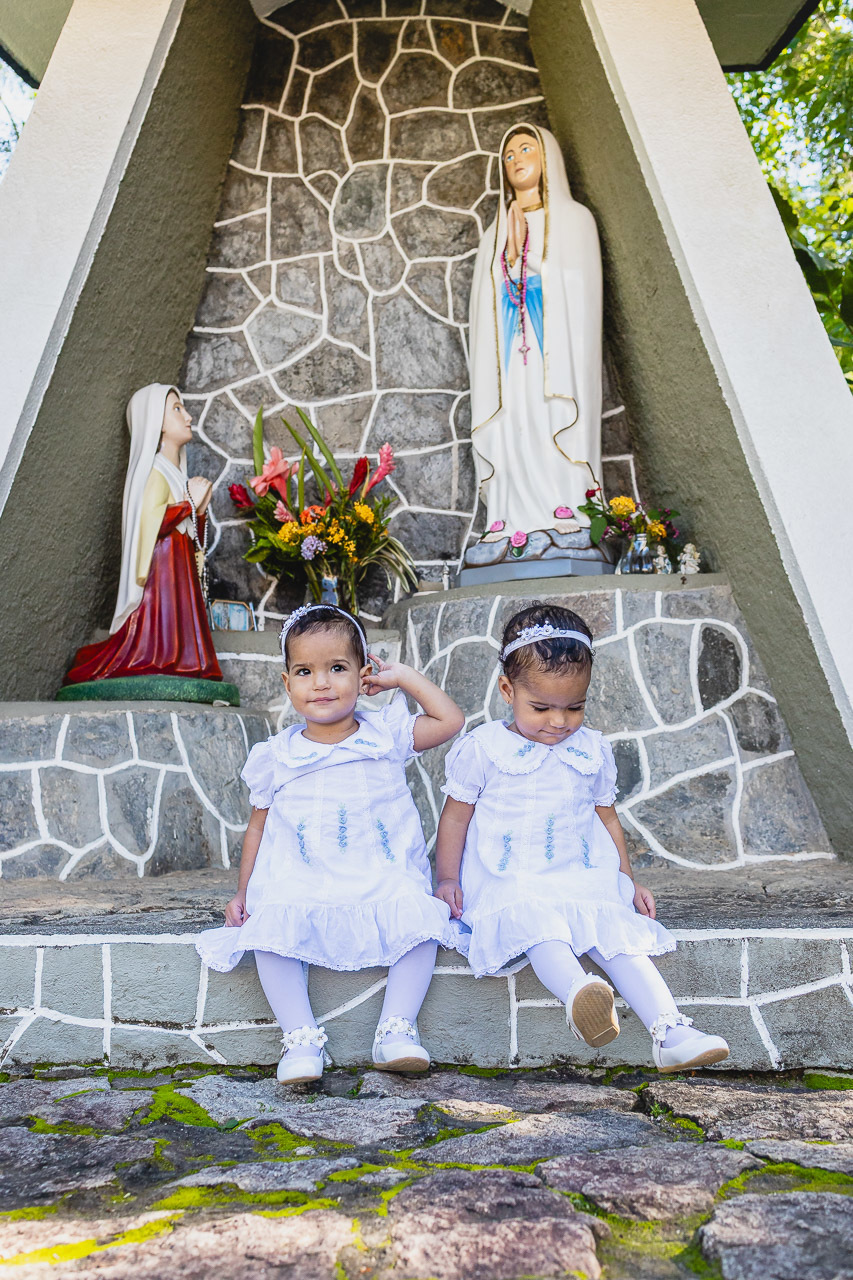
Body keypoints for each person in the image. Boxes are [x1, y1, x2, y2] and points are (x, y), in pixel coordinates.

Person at [434, 604, 730, 1073]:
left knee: (618, 935)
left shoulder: (591, 748)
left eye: (574, 707)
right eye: (542, 708)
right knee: (538, 924)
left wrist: (626, 880)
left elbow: (607, 820)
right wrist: (448, 878)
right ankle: (580, 994)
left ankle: (671, 1031)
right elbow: (455, 818)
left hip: (579, 872)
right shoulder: (485, 748)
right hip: (511, 878)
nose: (559, 721)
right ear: (508, 690)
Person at [196, 604, 464, 1084]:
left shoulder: (386, 735)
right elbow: (257, 827)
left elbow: (449, 720)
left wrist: (401, 677)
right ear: (287, 684)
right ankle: (300, 1037)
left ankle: (396, 1028)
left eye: (337, 668)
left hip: (381, 875)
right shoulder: (277, 756)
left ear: (363, 676)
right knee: (270, 928)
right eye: (305, 671)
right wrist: (244, 890)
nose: (321, 683)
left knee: (423, 920)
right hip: (303, 877)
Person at [468, 123, 603, 546]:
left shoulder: (575, 220)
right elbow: (484, 305)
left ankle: (564, 500)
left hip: (553, 349)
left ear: (548, 157)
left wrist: (530, 261)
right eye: (508, 155)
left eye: (526, 149)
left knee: (548, 413)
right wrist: (508, 258)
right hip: (510, 352)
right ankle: (509, 513)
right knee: (512, 418)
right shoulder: (493, 233)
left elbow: (581, 289)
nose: (516, 160)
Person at [64, 384, 221, 684]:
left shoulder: (176, 472)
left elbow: (190, 536)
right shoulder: (155, 470)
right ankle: (162, 656)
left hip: (178, 567)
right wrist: (189, 503)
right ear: (156, 421)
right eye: (177, 409)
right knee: (159, 639)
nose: (188, 417)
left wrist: (199, 510)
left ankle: (185, 658)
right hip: (162, 572)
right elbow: (151, 521)